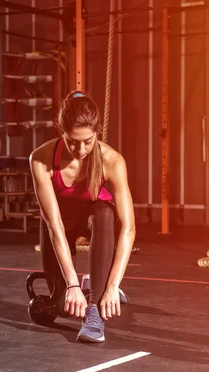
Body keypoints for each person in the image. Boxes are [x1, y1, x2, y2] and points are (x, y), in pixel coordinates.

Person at [29, 90, 136, 343]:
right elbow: (54, 227)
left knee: (104, 213)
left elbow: (129, 228)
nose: (80, 149)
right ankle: (87, 285)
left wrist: (112, 286)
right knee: (61, 307)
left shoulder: (112, 160)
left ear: (97, 132)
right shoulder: (40, 159)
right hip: (60, 227)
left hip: (97, 226)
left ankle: (95, 309)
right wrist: (72, 285)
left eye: (88, 141)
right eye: (72, 141)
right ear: (61, 131)